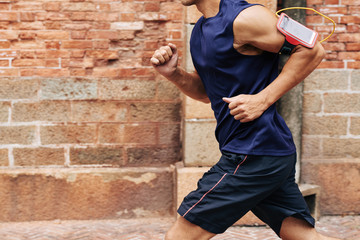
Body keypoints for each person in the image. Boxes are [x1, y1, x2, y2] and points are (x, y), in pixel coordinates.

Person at [151, 0, 339, 239]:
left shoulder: (247, 17)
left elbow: (313, 50)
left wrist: (263, 99)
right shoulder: (200, 30)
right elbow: (205, 93)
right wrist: (174, 74)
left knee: (181, 236)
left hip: (253, 153)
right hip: (265, 151)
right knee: (301, 235)